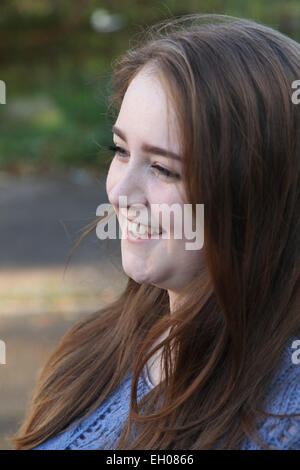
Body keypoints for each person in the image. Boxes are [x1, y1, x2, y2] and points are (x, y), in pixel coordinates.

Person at [8, 13, 300, 450]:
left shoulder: (282, 419)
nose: (121, 192)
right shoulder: (100, 345)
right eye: (120, 150)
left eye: (163, 168)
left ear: (256, 190)